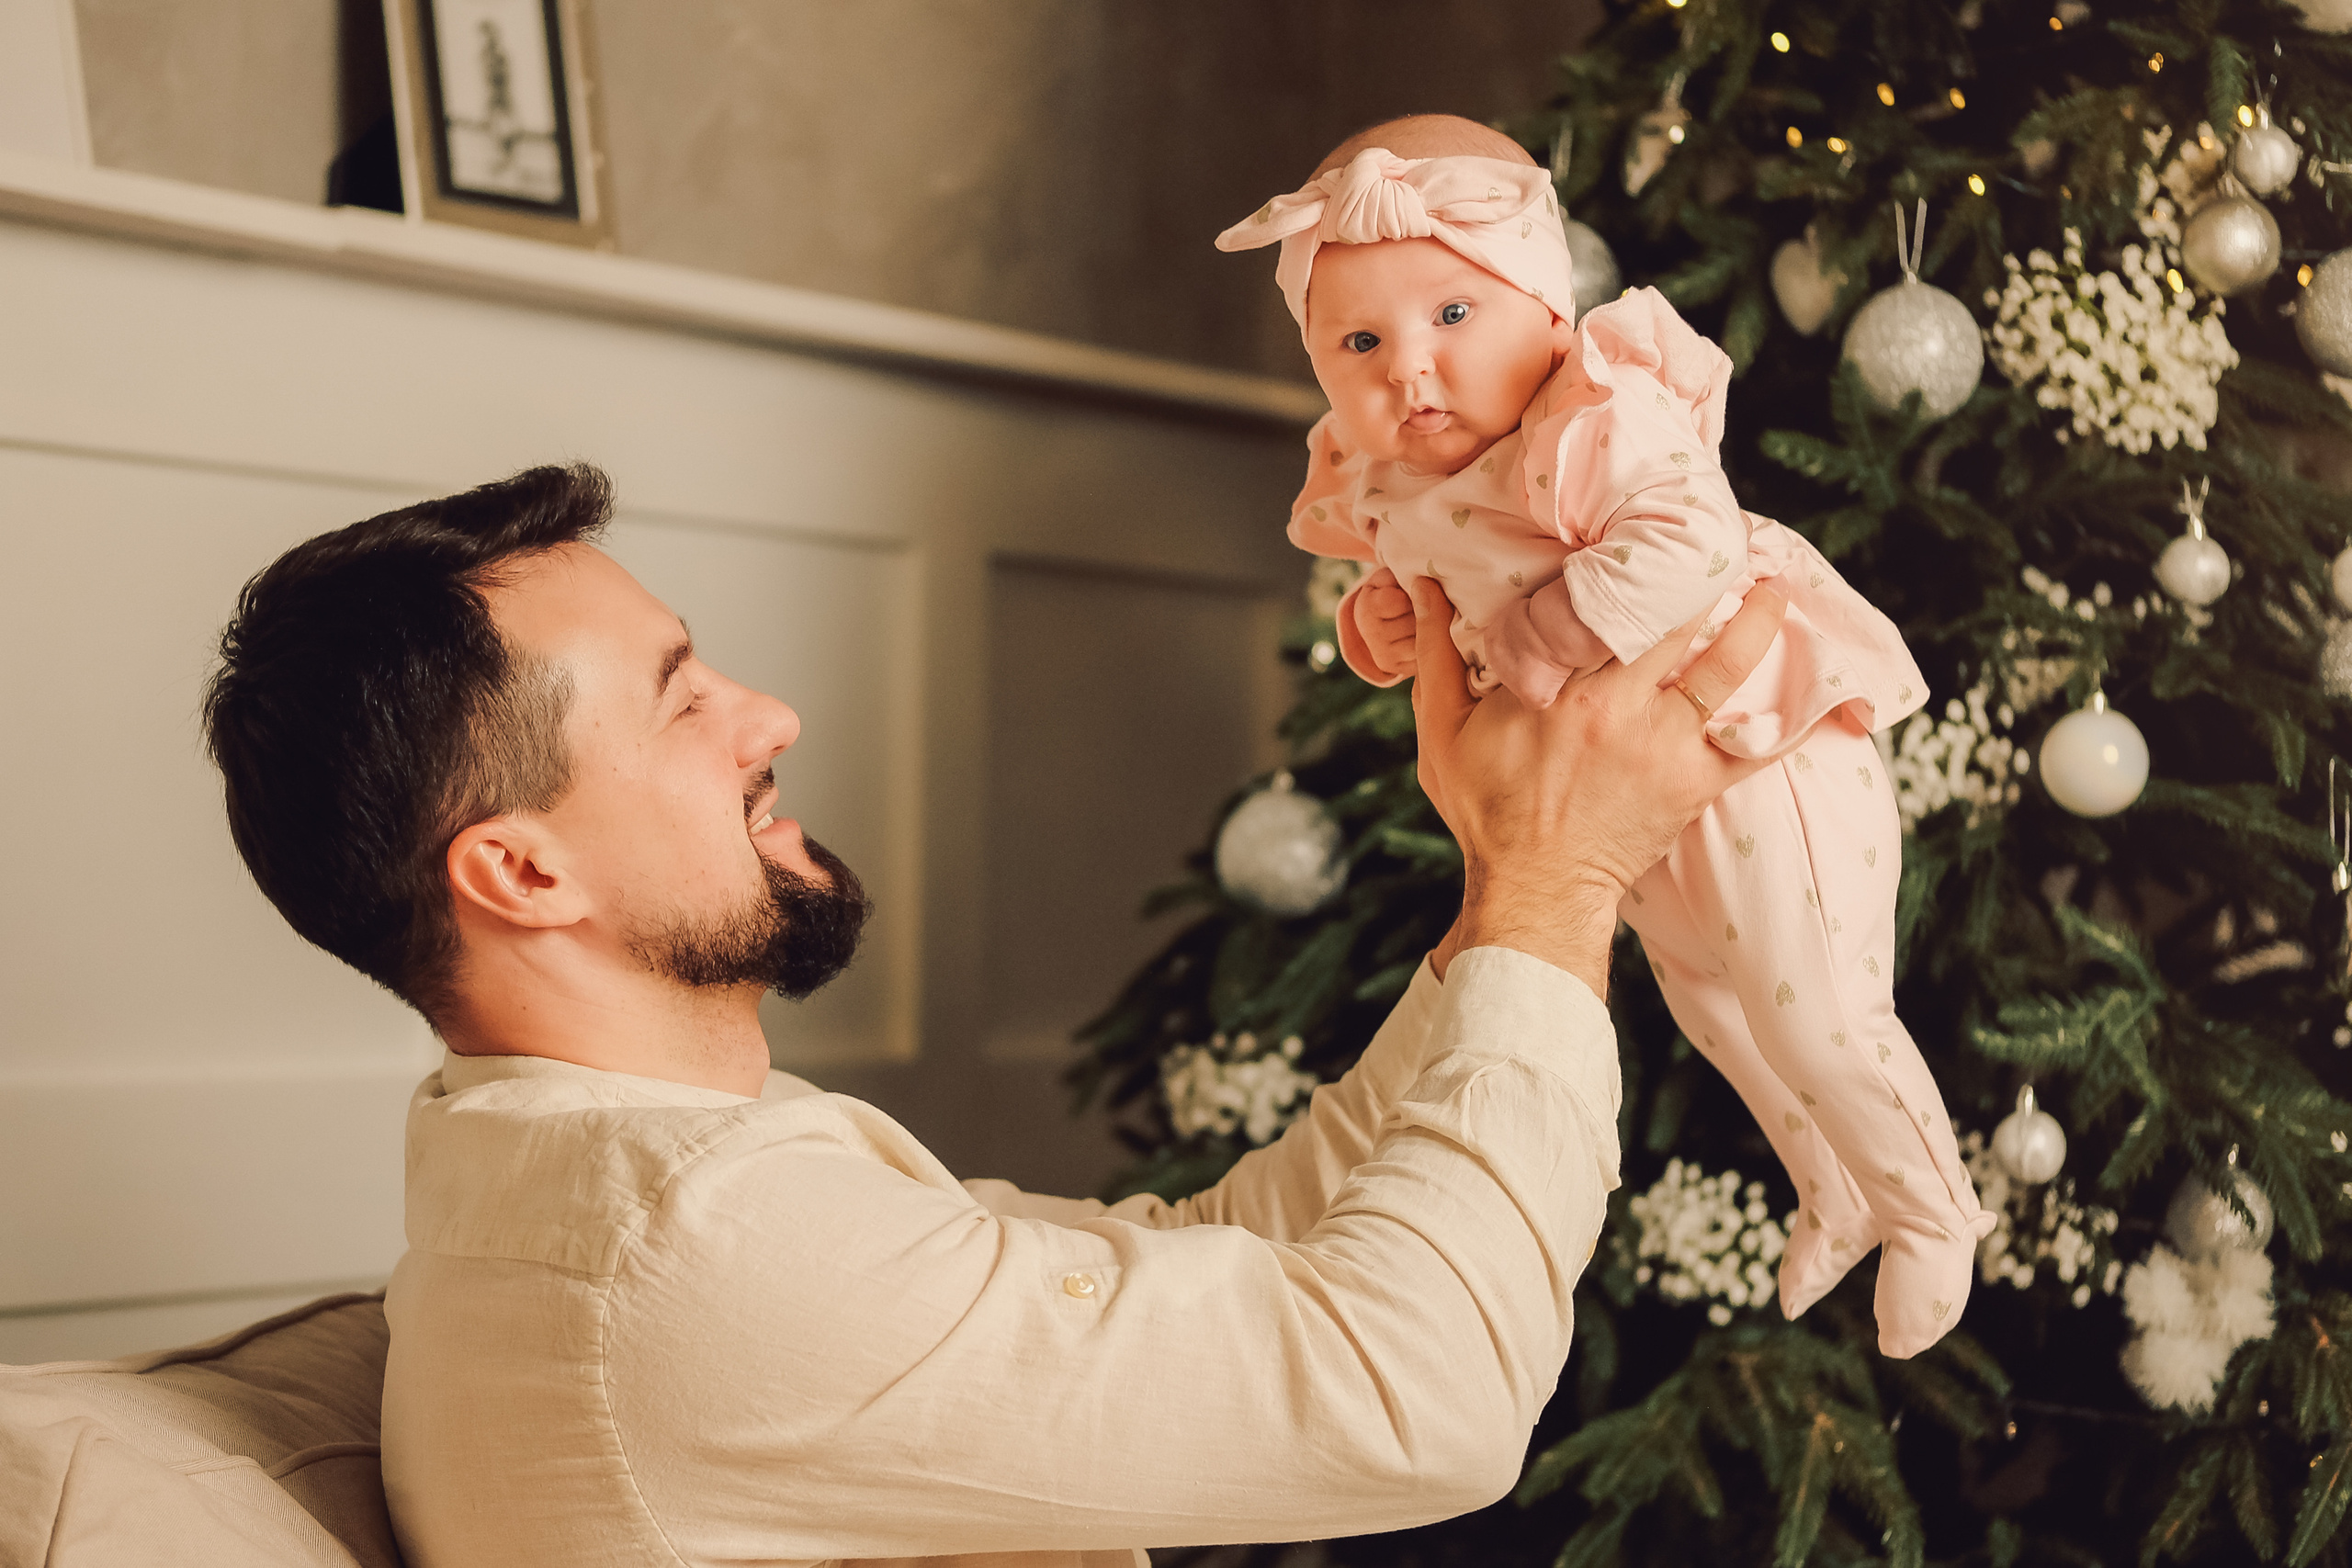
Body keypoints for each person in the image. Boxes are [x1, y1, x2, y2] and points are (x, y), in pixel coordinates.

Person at [200, 459, 1785, 1566]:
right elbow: (1413, 1399)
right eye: (683, 701)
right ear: (520, 872)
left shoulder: (602, 1171)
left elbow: (1208, 1260)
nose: (769, 718)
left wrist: (1501, 894)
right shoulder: (692, 1255)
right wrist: (1558, 880)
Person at [1215, 114, 1992, 1359]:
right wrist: (1380, 627)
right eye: (1360, 343)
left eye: (1453, 316)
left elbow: (1693, 541)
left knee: (1818, 1013)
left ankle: (1934, 1211)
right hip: (1619, 796)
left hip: (1755, 743)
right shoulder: (1393, 481)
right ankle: (1834, 1191)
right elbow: (1415, 592)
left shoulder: (1587, 419)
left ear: (1545, 307)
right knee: (1710, 1003)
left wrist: (1547, 632)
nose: (1410, 370)